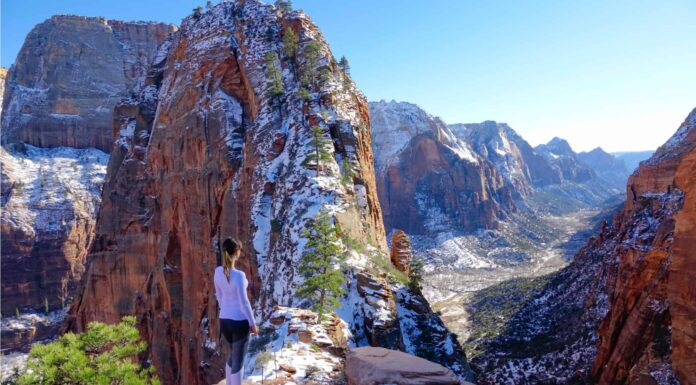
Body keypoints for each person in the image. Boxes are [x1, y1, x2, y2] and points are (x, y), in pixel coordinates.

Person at [214, 238, 258, 385]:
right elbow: (244, 303)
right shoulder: (239, 276)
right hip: (239, 322)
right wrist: (253, 324)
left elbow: (219, 297)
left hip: (224, 321)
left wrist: (225, 310)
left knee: (232, 356)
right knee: (238, 361)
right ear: (236, 253)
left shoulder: (217, 272)